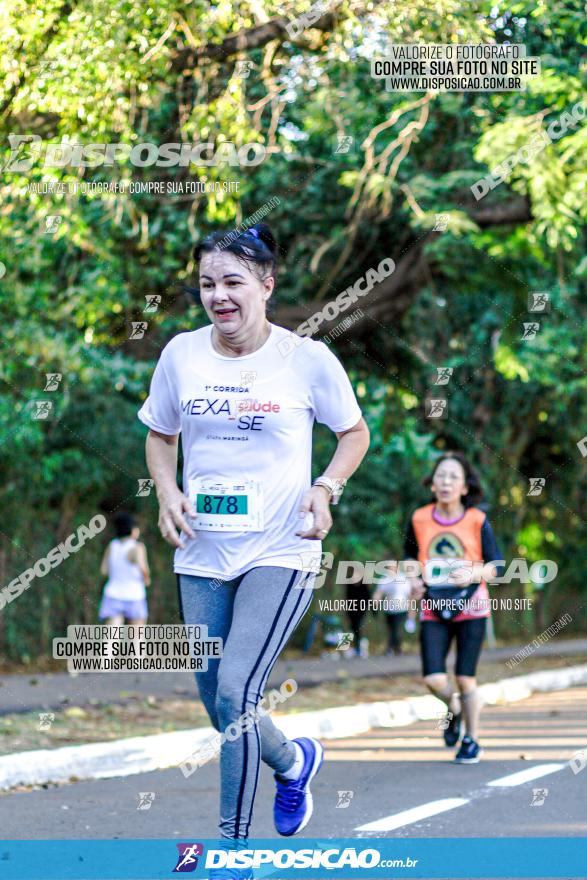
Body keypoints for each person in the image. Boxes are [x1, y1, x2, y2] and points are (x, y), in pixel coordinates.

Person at [137, 222, 369, 872]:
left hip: (282, 548)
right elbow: (160, 434)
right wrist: (164, 491)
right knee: (218, 700)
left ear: (266, 285)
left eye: (233, 282)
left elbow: (353, 433)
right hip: (202, 550)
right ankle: (293, 761)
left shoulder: (306, 360)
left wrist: (324, 488)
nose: (219, 295)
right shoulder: (181, 355)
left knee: (237, 686)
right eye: (208, 283)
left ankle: (230, 851)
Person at [404, 452, 503, 763]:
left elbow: (496, 566)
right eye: (440, 476)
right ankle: (454, 708)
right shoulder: (419, 518)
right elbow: (409, 557)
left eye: (453, 477)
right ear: (432, 484)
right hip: (433, 605)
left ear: (464, 487)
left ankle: (472, 740)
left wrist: (472, 574)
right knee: (434, 679)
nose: (445, 482)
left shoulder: (477, 520)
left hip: (471, 605)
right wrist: (415, 580)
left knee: (465, 678)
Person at [98, 512, 150, 625]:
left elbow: (104, 571)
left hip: (113, 594)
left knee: (111, 637)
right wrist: (146, 579)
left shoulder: (112, 545)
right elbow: (143, 568)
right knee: (137, 637)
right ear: (133, 530)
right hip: (135, 595)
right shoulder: (137, 547)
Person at [372, 574, 414, 655]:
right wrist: (375, 604)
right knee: (391, 629)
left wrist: (411, 611)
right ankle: (397, 648)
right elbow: (378, 593)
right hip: (389, 609)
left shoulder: (403, 578)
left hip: (402, 608)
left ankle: (391, 647)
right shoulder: (384, 579)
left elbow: (409, 597)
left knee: (397, 629)